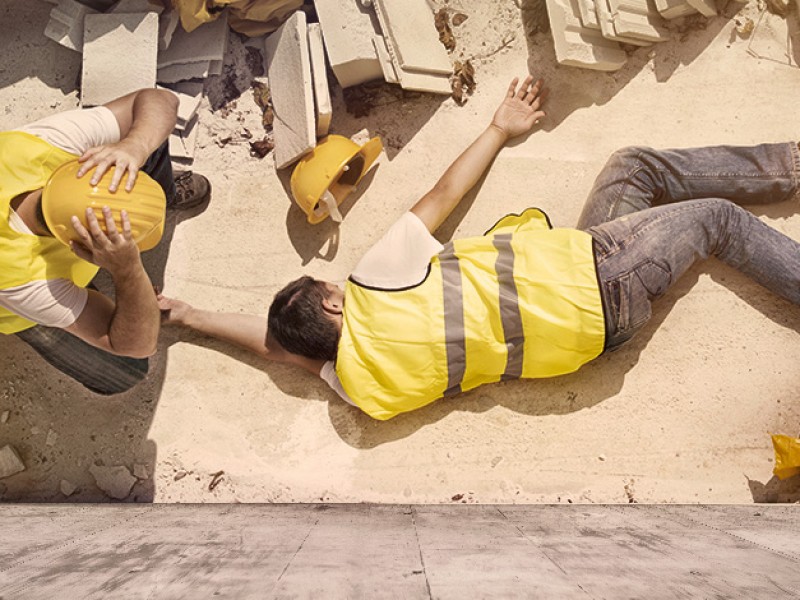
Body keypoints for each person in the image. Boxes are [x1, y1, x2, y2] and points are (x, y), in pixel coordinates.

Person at [159, 75, 800, 420]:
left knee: (632, 170)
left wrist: (190, 318)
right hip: (601, 277)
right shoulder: (374, 283)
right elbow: (440, 197)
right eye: (329, 293)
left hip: (595, 338)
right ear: (332, 309)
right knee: (717, 218)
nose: (337, 289)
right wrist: (498, 127)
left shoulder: (360, 390)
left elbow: (282, 352)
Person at [1, 88, 211, 394]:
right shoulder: (24, 283)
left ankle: (155, 181)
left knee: (144, 135)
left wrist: (134, 147)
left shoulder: (43, 149)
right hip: (14, 296)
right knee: (125, 371)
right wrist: (127, 271)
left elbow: (160, 100)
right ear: (84, 250)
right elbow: (136, 346)